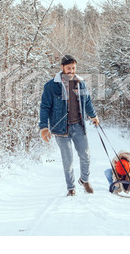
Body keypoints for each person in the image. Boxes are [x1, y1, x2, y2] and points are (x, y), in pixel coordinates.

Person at [39, 55, 100, 196]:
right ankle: (71, 187)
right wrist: (44, 127)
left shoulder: (81, 83)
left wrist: (93, 116)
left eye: (73, 68)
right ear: (62, 68)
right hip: (61, 129)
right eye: (68, 68)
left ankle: (84, 180)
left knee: (85, 156)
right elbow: (45, 107)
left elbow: (87, 102)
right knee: (68, 160)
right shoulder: (51, 86)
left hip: (78, 126)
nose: (71, 71)